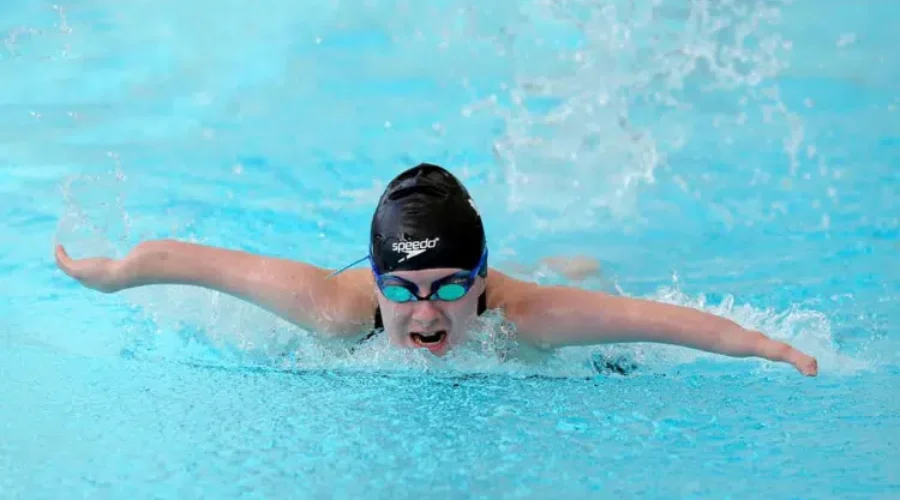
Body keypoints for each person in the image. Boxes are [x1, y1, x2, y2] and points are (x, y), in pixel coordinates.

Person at [54, 162, 818, 376]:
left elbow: (662, 322)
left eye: (451, 287)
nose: (426, 314)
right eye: (405, 291)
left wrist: (766, 346)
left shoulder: (526, 317)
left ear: (481, 279)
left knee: (574, 277)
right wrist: (118, 273)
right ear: (377, 281)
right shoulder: (335, 307)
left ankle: (567, 257)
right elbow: (193, 263)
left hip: (528, 287)